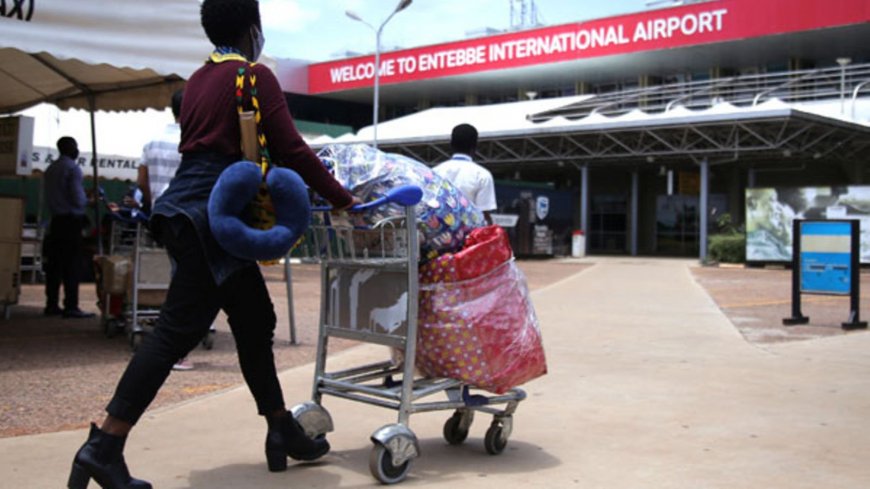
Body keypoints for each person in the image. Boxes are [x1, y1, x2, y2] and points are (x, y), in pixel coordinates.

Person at [67, 2, 360, 488]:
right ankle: (104, 446)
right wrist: (342, 198)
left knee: (254, 318)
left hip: (188, 208)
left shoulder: (199, 78)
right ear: (253, 28)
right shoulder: (253, 75)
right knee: (176, 332)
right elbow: (289, 148)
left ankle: (280, 427)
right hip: (215, 218)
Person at [129, 89, 197, 372]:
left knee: (179, 280)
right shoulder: (193, 141)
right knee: (184, 284)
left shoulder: (151, 143)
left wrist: (156, 201)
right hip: (189, 219)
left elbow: (142, 183)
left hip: (162, 216)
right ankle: (174, 350)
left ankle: (172, 346)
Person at [42, 136, 95, 319]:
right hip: (71, 222)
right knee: (72, 265)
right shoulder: (72, 168)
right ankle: (71, 305)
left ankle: (51, 304)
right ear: (71, 148)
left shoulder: (51, 169)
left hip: (56, 221)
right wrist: (89, 201)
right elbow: (77, 198)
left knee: (54, 265)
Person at [433, 123, 497, 223]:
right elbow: (484, 215)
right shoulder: (482, 175)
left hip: (441, 234)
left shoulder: (435, 172)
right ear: (475, 146)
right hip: (470, 235)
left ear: (451, 144)